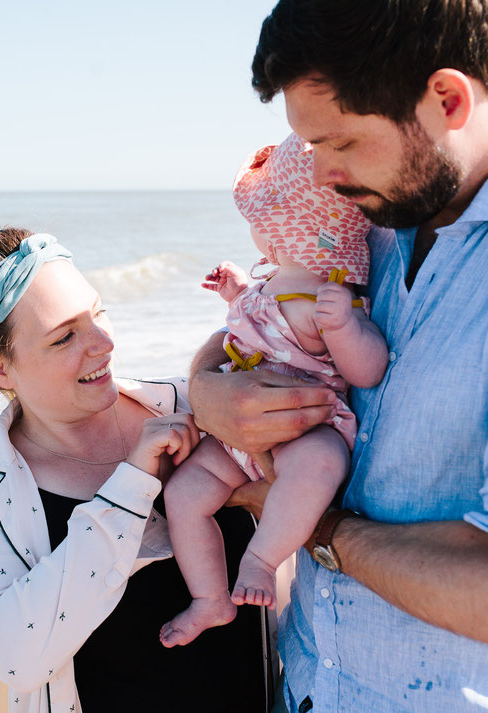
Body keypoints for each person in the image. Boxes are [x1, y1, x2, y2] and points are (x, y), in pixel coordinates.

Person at [188, 1, 488, 711]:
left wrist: (318, 527)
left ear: (447, 99)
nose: (321, 175)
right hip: (307, 687)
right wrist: (207, 387)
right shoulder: (372, 209)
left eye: (342, 143)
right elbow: (269, 304)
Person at [0, 227, 273, 713]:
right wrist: (131, 484)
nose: (103, 342)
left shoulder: (191, 404)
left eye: (98, 312)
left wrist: (213, 364)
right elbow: (15, 658)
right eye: (65, 336)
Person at [158, 133, 387, 648]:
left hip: (308, 428)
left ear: (279, 237)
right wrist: (235, 291)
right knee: (185, 493)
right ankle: (209, 598)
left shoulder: (327, 302)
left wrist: (347, 331)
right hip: (239, 433)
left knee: (321, 464)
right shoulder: (268, 288)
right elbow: (249, 325)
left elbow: (368, 370)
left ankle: (261, 559)